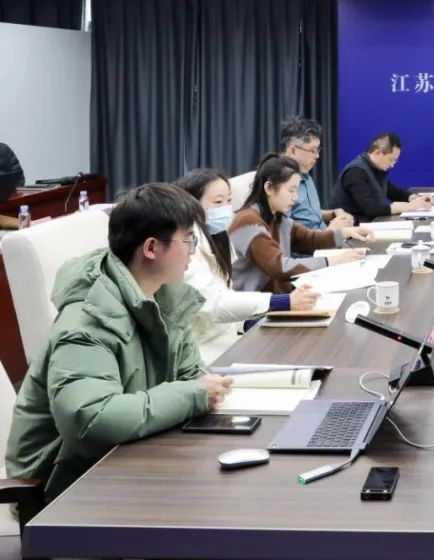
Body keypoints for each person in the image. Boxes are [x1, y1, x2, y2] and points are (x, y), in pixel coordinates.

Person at [5, 183, 235, 501]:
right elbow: (91, 419)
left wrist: (199, 388)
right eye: (188, 240)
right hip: (61, 488)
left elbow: (189, 374)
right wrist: (194, 394)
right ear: (151, 248)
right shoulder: (88, 321)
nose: (193, 251)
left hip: (127, 458)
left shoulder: (165, 298)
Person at [175, 169, 320, 362]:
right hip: (201, 352)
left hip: (224, 337)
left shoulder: (217, 235)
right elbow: (215, 304)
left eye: (229, 201)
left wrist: (255, 322)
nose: (226, 208)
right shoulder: (186, 246)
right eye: (218, 202)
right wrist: (284, 302)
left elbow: (224, 299)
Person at [231, 154, 371, 294]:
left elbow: (310, 240)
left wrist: (345, 233)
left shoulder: (278, 218)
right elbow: (280, 268)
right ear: (269, 188)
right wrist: (334, 260)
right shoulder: (248, 222)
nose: (296, 198)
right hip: (254, 304)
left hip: (276, 298)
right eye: (291, 190)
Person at [329, 133, 434, 223]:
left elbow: (392, 191)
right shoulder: (355, 172)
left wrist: (415, 198)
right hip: (351, 229)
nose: (392, 165)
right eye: (391, 160)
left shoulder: (376, 169)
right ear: (378, 153)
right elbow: (370, 209)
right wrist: (410, 206)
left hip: (368, 224)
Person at [280, 116, 353, 231]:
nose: (317, 156)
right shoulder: (279, 181)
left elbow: (308, 215)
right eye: (312, 150)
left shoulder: (304, 173)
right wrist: (330, 231)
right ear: (293, 150)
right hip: (315, 242)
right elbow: (282, 233)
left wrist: (333, 214)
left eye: (318, 150)